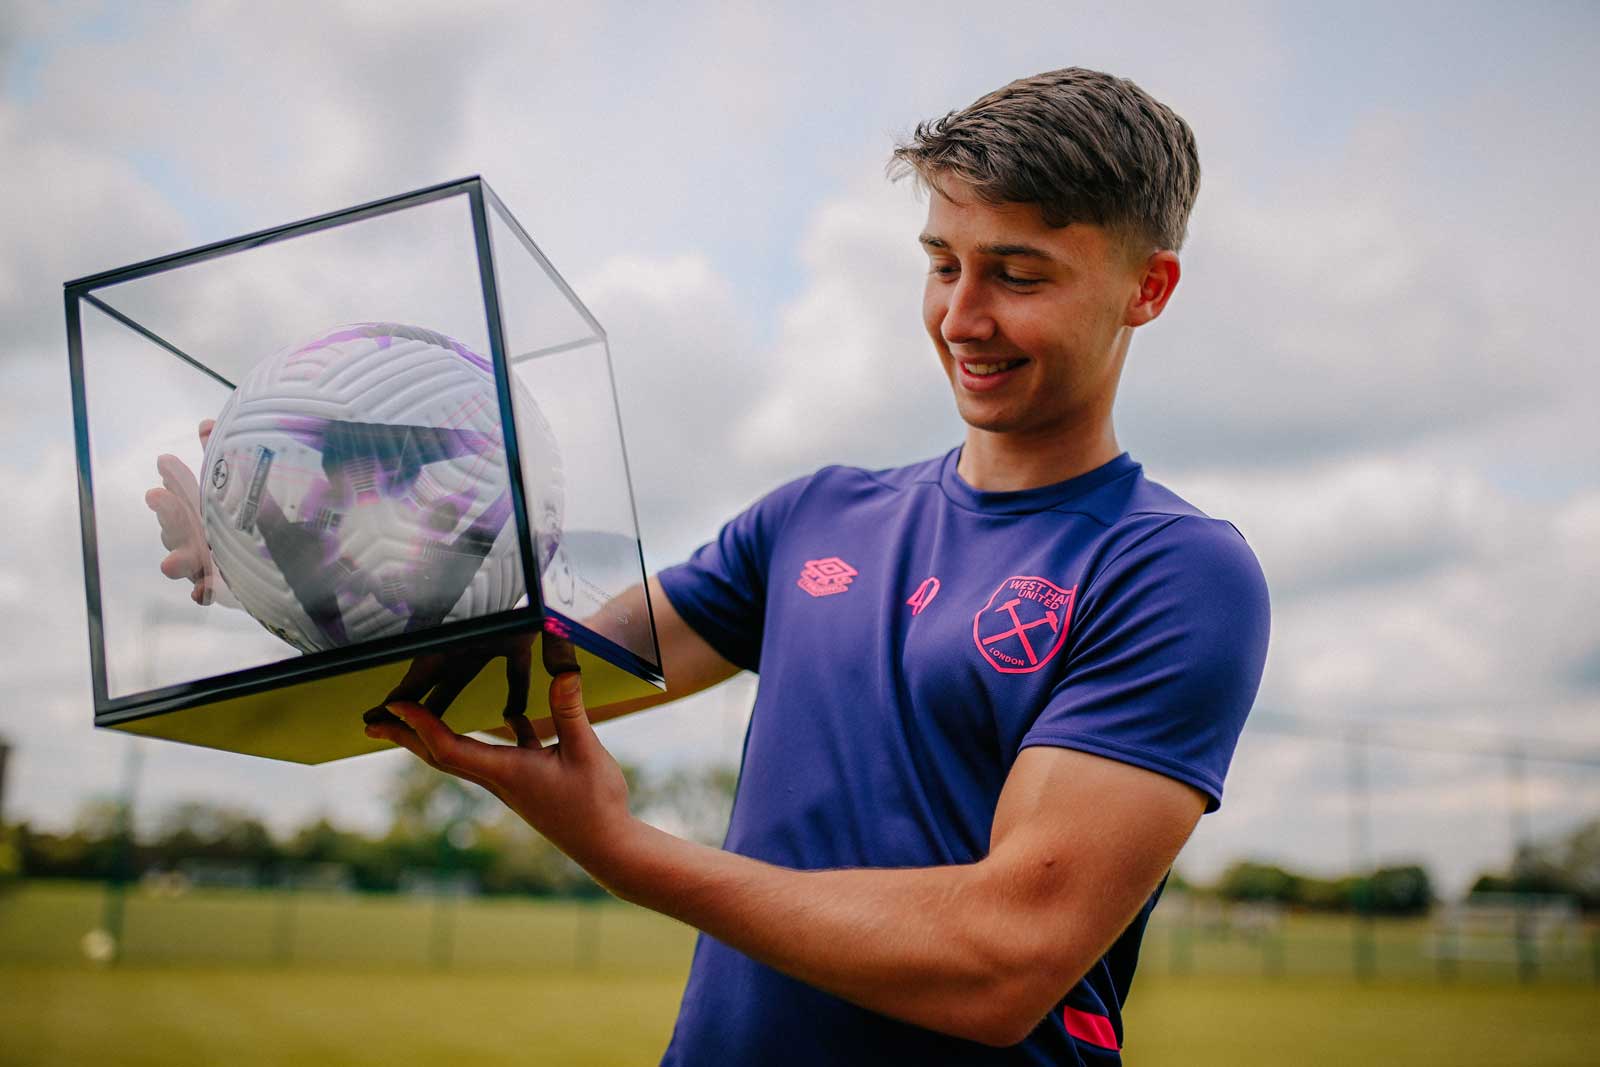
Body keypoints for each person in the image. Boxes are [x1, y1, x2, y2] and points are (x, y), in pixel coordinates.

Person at [162, 67, 1272, 1063]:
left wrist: (624, 849)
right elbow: (536, 661)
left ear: (1148, 288)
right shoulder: (816, 514)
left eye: (1018, 274)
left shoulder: (1170, 571)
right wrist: (291, 535)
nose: (961, 315)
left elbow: (1000, 960)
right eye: (941, 263)